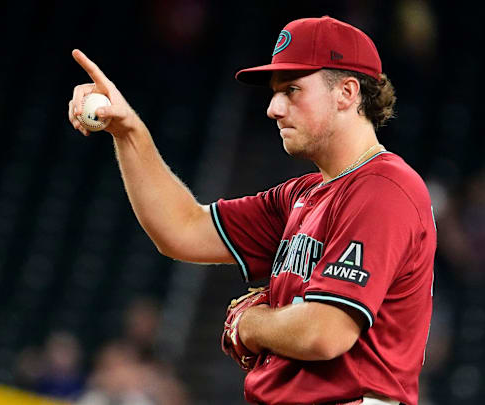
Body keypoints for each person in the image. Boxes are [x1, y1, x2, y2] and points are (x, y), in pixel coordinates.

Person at [67, 15, 436, 405]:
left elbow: (324, 332)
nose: (274, 108)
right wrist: (128, 131)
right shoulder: (305, 194)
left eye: (292, 89)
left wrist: (250, 323)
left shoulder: (382, 188)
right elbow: (182, 229)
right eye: (275, 92)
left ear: (346, 93)